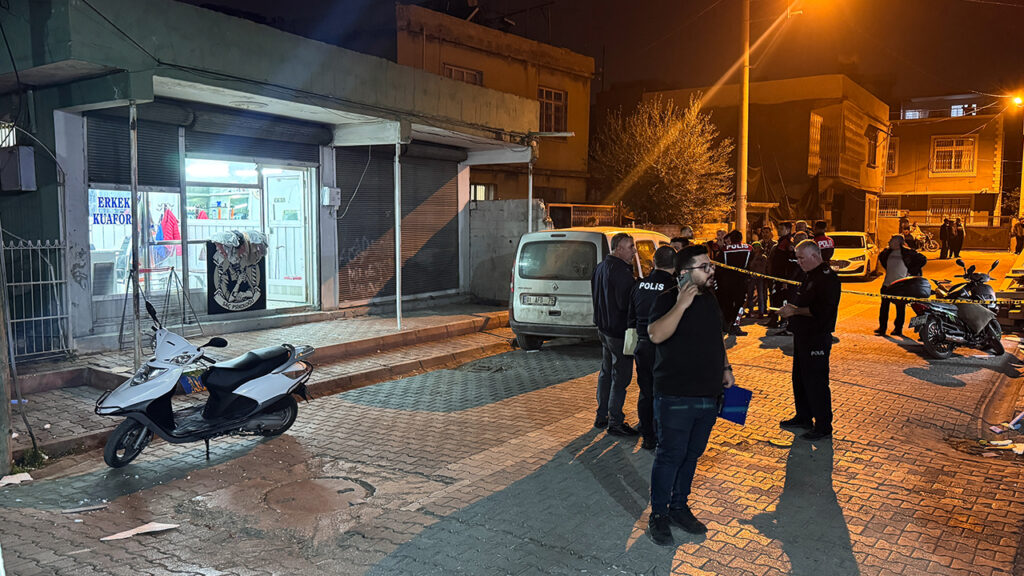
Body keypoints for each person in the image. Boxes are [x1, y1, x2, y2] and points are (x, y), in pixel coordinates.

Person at [645, 245, 734, 546]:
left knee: (692, 454)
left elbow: (716, 338)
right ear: (684, 273)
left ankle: (679, 507)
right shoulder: (666, 298)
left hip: (708, 394)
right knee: (670, 455)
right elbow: (656, 334)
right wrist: (681, 305)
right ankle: (659, 514)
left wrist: (726, 368)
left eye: (711, 266)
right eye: (704, 267)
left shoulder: (710, 299)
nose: (712, 271)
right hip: (675, 396)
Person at [778, 240, 842, 441]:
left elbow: (823, 309)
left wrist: (795, 311)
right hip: (803, 335)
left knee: (816, 382)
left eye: (801, 258)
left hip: (817, 336)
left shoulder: (828, 278)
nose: (799, 262)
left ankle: (823, 426)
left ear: (815, 256)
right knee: (800, 378)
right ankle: (803, 417)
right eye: (797, 258)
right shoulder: (809, 275)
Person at [627, 246, 677, 450]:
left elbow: (630, 316)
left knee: (646, 392)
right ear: (675, 265)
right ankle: (662, 435)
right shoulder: (675, 288)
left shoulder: (639, 285)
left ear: (654, 262)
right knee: (664, 393)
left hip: (643, 345)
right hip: (665, 348)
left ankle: (648, 435)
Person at [591, 232, 639, 437]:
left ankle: (601, 415)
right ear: (618, 248)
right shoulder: (621, 272)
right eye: (631, 247)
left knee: (606, 372)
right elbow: (626, 305)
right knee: (621, 378)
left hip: (604, 330)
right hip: (619, 333)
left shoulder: (600, 267)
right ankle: (616, 421)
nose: (634, 251)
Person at [876, 235, 926, 337]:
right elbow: (881, 258)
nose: (889, 242)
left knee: (900, 308)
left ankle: (898, 329)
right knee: (884, 307)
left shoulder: (908, 253)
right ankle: (882, 328)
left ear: (898, 242)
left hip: (900, 285)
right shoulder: (887, 252)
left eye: (892, 241)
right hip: (887, 284)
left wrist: (911, 272)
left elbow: (923, 259)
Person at [719, 230, 752, 335]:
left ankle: (727, 324)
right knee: (740, 304)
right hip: (742, 281)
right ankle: (735, 325)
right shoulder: (748, 248)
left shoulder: (725, 250)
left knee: (728, 303)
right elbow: (751, 263)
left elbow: (719, 265)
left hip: (727, 281)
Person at [765, 222, 794, 329]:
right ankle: (774, 319)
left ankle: (783, 321)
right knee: (775, 297)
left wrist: (785, 279)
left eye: (781, 229)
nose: (779, 231)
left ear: (788, 230)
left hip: (782, 277)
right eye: (779, 228)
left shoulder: (787, 242)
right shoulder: (781, 241)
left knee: (782, 299)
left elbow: (787, 262)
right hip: (776, 276)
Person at [746, 241, 768, 318]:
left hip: (760, 278)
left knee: (760, 294)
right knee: (750, 294)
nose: (756, 250)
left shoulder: (763, 257)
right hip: (752, 277)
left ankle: (761, 312)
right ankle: (750, 311)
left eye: (757, 248)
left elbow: (764, 267)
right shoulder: (751, 257)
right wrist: (755, 257)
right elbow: (750, 266)